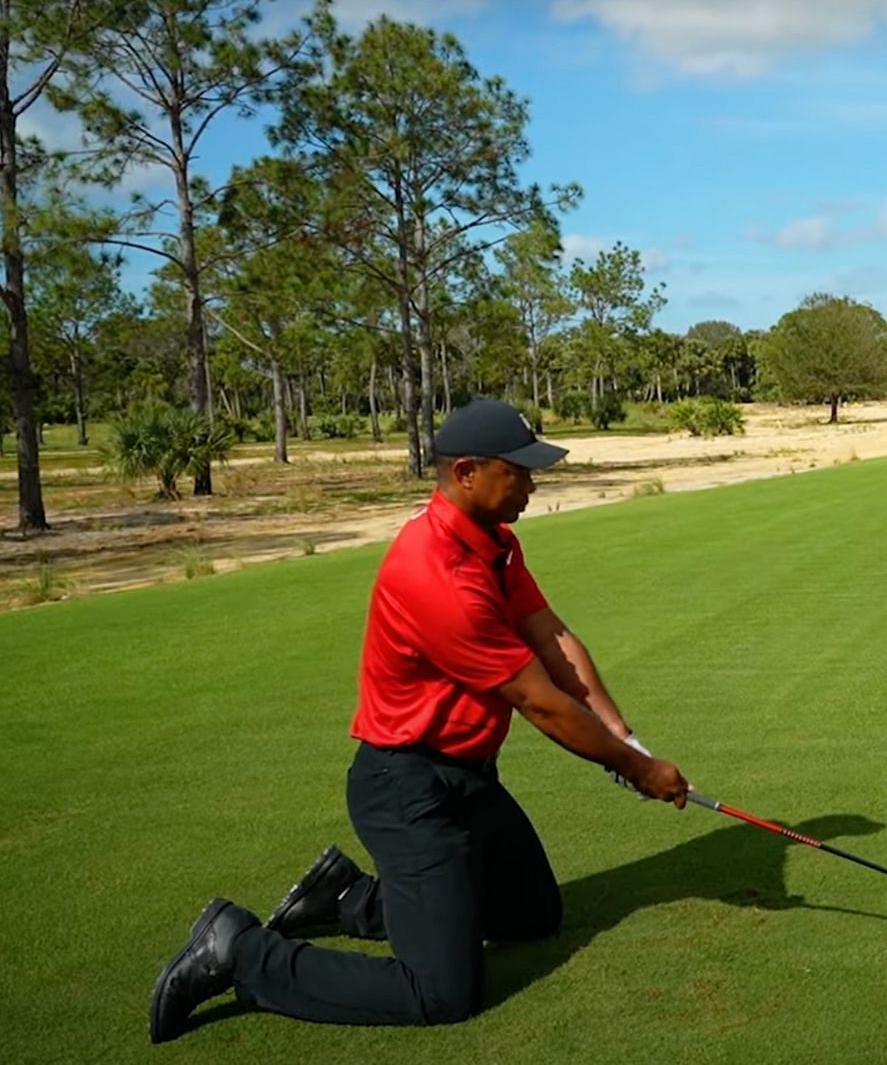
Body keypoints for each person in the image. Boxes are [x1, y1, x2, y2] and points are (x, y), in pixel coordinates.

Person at [149, 397, 690, 1043]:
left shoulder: (496, 545)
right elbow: (539, 700)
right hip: (406, 789)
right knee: (442, 991)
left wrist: (625, 737)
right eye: (517, 471)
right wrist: (634, 768)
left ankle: (345, 898)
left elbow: (553, 639)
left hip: (469, 779)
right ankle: (238, 950)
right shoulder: (440, 578)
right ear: (466, 473)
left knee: (534, 914)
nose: (531, 483)